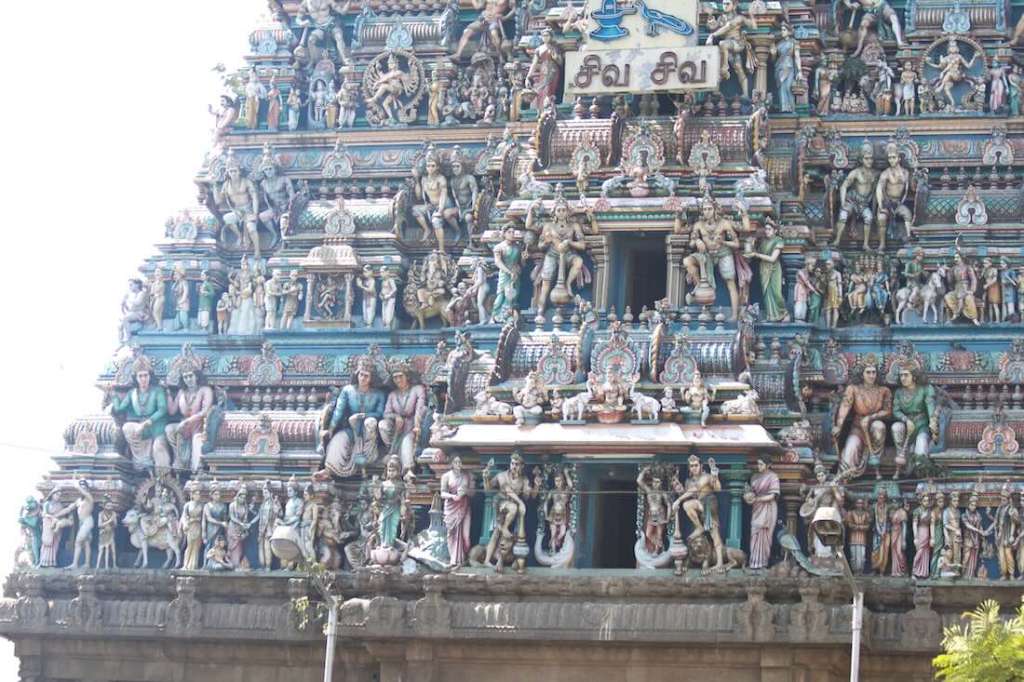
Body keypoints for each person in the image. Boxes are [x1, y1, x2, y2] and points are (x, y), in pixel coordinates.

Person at [316, 360, 386, 479]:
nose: (363, 378)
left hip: (369, 431)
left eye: (366, 376)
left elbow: (380, 413)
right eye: (361, 374)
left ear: (371, 378)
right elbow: (339, 411)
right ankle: (328, 470)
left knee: (370, 423)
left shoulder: (378, 394)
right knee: (338, 441)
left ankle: (366, 458)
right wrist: (331, 429)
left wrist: (363, 415)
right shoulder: (348, 390)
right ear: (357, 375)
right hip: (350, 428)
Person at [833, 361, 892, 480]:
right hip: (858, 428)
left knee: (879, 426)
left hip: (875, 427)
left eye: (874, 372)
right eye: (868, 372)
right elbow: (845, 407)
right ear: (862, 374)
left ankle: (875, 458)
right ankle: (844, 479)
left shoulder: (884, 390)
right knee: (850, 450)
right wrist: (838, 426)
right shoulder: (853, 389)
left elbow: (888, 411)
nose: (871, 375)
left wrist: (871, 417)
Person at [110, 358, 170, 472]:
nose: (143, 379)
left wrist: (147, 422)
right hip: (141, 430)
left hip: (157, 428)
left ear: (150, 376)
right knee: (127, 427)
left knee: (158, 448)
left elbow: (162, 409)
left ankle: (163, 476)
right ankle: (143, 462)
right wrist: (114, 396)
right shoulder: (132, 393)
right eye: (140, 376)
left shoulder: (157, 391)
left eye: (146, 375)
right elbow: (120, 408)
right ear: (136, 378)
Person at [378, 362, 428, 472]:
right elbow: (386, 413)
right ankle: (392, 452)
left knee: (406, 444)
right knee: (382, 425)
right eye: (395, 377)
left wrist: (417, 426)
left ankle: (407, 471)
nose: (398, 380)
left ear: (407, 376)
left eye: (401, 376)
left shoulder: (417, 389)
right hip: (396, 429)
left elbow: (420, 409)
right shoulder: (392, 395)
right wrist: (396, 416)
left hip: (412, 427)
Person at [746, 219, 788, 322]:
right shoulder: (764, 242)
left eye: (769, 229)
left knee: (777, 293)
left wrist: (756, 254)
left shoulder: (778, 241)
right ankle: (771, 316)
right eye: (766, 229)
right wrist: (751, 245)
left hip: (774, 269)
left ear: (775, 230)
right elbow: (756, 254)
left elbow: (773, 258)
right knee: (767, 292)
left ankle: (783, 313)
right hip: (764, 268)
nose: (767, 231)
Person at [743, 458, 779, 570]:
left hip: (768, 507)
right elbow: (750, 493)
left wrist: (757, 499)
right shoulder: (754, 477)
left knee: (766, 534)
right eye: (758, 464)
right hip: (756, 508)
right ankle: (754, 561)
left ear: (768, 465)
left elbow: (772, 496)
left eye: (761, 464)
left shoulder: (773, 477)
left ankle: (763, 562)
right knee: (754, 532)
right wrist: (748, 496)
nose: (759, 466)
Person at [440, 456, 473, 567]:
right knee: (451, 534)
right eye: (456, 462)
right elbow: (442, 493)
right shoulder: (446, 476)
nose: (458, 464)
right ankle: (453, 559)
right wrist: (452, 496)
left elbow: (471, 492)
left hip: (463, 506)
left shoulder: (465, 476)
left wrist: (465, 492)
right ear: (451, 463)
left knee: (465, 536)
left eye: (460, 461)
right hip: (451, 506)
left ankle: (464, 558)